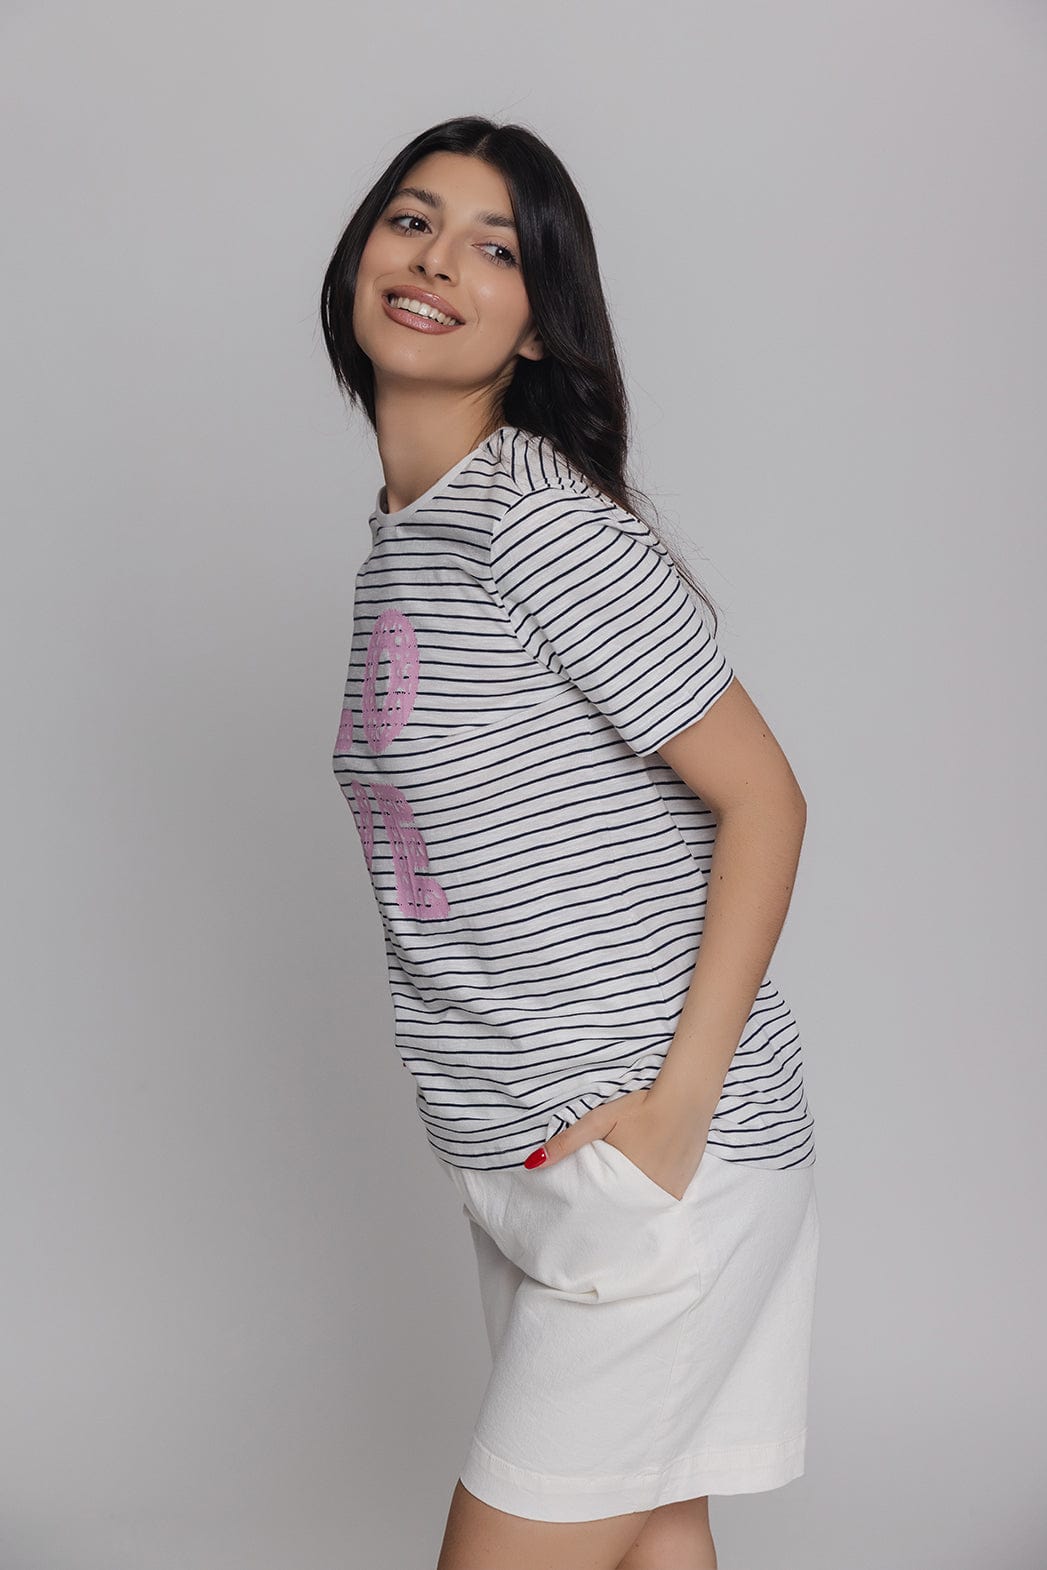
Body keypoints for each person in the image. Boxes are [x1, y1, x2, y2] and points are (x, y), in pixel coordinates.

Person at [321, 115, 820, 1570]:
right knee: (656, 1536)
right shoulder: (409, 539)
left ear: (540, 325)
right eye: (412, 221)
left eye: (494, 248)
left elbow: (766, 798)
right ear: (359, 258)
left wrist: (674, 1117)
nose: (436, 262)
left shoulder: (534, 522)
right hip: (529, 1155)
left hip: (650, 1158)